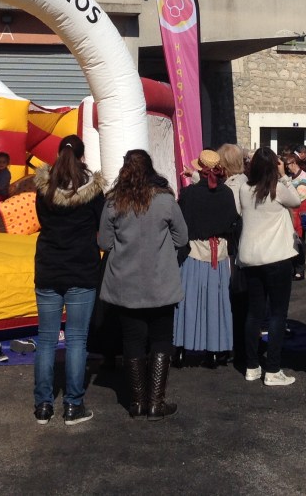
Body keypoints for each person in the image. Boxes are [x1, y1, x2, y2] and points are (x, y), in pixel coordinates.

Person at [98, 149, 188, 420]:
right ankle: (156, 403)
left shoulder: (114, 202)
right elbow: (182, 238)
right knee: (161, 339)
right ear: (150, 169)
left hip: (126, 283)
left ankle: (137, 402)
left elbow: (104, 242)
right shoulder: (165, 201)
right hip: (160, 282)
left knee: (132, 340)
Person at [30, 135, 106, 426]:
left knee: (46, 339)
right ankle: (73, 405)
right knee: (76, 339)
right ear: (83, 157)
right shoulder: (93, 191)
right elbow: (100, 224)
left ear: (58, 153)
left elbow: (42, 220)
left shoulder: (44, 188)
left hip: (49, 267)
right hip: (82, 269)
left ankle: (43, 406)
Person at [230, 145, 302, 386]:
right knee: (278, 314)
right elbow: (296, 201)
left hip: (251, 257)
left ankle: (252, 365)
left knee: (254, 312)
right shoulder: (277, 188)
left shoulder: (244, 189)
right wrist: (284, 176)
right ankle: (272, 369)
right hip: (276, 257)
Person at [173, 149, 239, 368]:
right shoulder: (226, 193)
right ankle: (214, 351)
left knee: (188, 302)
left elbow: (181, 224)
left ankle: (181, 348)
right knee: (216, 302)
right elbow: (232, 223)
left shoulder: (189, 194)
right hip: (217, 254)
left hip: (194, 251)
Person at [282, 148, 306, 281]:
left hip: (301, 215)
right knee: (292, 241)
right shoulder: (290, 178)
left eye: (287, 164)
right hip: (291, 213)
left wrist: (288, 192)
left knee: (300, 242)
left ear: (294, 163)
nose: (286, 167)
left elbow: (300, 195)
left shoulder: (304, 177)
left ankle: (300, 270)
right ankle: (293, 268)